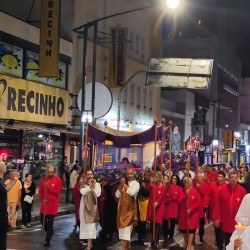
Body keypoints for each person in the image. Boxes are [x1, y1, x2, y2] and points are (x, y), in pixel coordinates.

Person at [215, 171, 247, 246]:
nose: (233, 179)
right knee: (228, 241)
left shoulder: (243, 191)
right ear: (228, 178)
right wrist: (217, 218)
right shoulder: (223, 190)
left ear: (238, 178)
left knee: (238, 242)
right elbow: (218, 205)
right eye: (231, 177)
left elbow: (245, 208)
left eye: (235, 177)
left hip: (238, 222)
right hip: (226, 220)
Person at [115, 168, 140, 250]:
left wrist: (124, 185)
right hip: (121, 209)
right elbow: (117, 195)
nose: (129, 175)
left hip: (130, 209)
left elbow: (132, 193)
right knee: (122, 230)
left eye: (131, 174)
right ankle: (127, 246)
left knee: (127, 229)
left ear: (134, 174)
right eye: (128, 174)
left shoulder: (136, 184)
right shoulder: (123, 183)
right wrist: (121, 185)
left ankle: (123, 248)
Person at [39, 166, 62, 247]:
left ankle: (47, 240)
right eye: (49, 172)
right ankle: (50, 231)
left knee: (50, 223)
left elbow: (58, 192)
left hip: (52, 205)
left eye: (52, 172)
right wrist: (42, 199)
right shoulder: (43, 180)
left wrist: (49, 187)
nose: (50, 174)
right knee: (42, 221)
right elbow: (40, 192)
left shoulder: (58, 180)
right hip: (44, 205)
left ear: (54, 172)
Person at [79, 169, 101, 250]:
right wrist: (89, 187)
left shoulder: (97, 184)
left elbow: (98, 194)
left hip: (92, 208)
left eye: (90, 174)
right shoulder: (83, 184)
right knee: (84, 225)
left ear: (93, 175)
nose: (89, 176)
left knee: (91, 226)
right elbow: (83, 192)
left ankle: (89, 246)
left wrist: (93, 186)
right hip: (84, 207)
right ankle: (87, 242)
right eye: (87, 174)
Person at [178, 177, 201, 250]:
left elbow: (198, 202)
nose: (185, 184)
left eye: (187, 182)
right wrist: (185, 195)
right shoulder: (182, 191)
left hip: (192, 214)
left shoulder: (195, 191)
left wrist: (191, 209)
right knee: (184, 229)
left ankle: (190, 245)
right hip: (183, 214)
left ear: (191, 183)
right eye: (184, 182)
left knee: (191, 230)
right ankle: (186, 242)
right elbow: (179, 201)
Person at [147, 171, 166, 249]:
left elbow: (162, 196)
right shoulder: (152, 185)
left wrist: (157, 203)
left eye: (157, 177)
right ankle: (153, 239)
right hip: (151, 206)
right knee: (152, 224)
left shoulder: (163, 186)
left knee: (157, 224)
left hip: (159, 207)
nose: (155, 178)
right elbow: (148, 190)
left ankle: (157, 240)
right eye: (154, 177)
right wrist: (151, 182)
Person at [209, 171, 227, 250]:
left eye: (220, 177)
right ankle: (219, 241)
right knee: (216, 227)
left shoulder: (226, 186)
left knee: (222, 228)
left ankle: (221, 241)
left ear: (224, 178)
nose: (218, 178)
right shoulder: (212, 185)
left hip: (223, 210)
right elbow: (208, 195)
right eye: (218, 176)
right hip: (214, 209)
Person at [163, 174, 183, 243]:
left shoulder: (179, 188)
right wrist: (172, 198)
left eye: (175, 178)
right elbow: (164, 197)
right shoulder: (167, 187)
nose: (173, 180)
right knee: (165, 222)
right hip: (167, 207)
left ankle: (171, 236)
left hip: (174, 207)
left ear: (177, 180)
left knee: (172, 223)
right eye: (172, 178)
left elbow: (180, 198)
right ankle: (165, 236)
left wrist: (175, 198)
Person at [195, 172, 211, 244]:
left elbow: (206, 196)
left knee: (201, 223)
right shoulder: (194, 184)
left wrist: (205, 206)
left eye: (200, 177)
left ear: (203, 178)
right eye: (197, 177)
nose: (198, 178)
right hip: (195, 206)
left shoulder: (206, 185)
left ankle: (201, 237)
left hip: (202, 207)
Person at [0, 161, 8, 250]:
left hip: (3, 213)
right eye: (4, 164)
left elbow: (5, 190)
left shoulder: (2, 181)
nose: (6, 166)